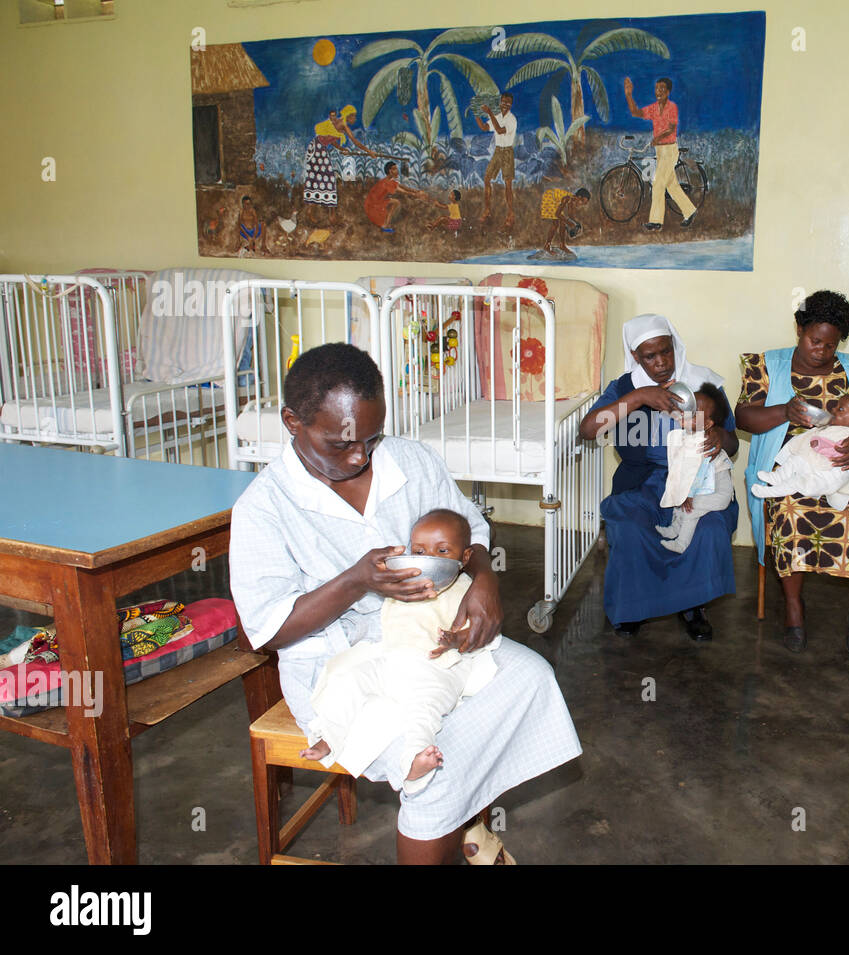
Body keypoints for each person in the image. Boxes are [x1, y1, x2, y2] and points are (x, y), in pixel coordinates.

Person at [229, 343, 581, 864]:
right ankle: (456, 820)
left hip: (432, 636)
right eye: (340, 443)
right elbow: (269, 630)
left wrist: (485, 580)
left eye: (371, 439)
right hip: (340, 664)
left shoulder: (409, 460)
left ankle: (468, 823)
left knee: (529, 676)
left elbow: (470, 530)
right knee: (431, 767)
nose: (359, 457)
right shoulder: (263, 507)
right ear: (291, 421)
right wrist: (355, 581)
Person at [299, 509, 499, 798]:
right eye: (420, 550)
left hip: (436, 670)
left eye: (442, 551)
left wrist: (456, 639)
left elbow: (477, 632)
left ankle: (416, 760)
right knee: (348, 680)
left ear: (465, 557)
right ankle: (329, 736)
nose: (430, 556)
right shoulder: (405, 584)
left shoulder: (466, 589)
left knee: (423, 711)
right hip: (392, 663)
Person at [736, 290, 849, 656]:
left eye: (830, 345)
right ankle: (793, 609)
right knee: (789, 513)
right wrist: (784, 413)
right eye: (813, 340)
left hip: (842, 468)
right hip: (788, 465)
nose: (821, 350)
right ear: (799, 328)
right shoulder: (765, 365)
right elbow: (742, 418)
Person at [578, 314, 738, 641]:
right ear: (636, 356)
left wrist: (720, 436)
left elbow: (733, 440)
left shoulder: (704, 382)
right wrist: (639, 397)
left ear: (674, 346)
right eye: (650, 356)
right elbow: (588, 430)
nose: (661, 362)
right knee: (631, 525)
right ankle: (634, 606)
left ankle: (693, 606)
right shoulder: (624, 388)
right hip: (643, 482)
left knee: (707, 527)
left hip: (698, 479)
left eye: (666, 351)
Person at [656, 383, 735, 554]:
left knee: (691, 508)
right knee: (679, 498)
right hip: (702, 488)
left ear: (707, 424)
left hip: (720, 494)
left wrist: (689, 494)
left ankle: (681, 543)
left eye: (694, 414)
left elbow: (698, 473)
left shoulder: (705, 444)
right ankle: (674, 529)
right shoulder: (686, 436)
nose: (686, 414)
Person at [751, 394, 849, 499]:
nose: (833, 410)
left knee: (798, 482)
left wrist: (819, 444)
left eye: (840, 409)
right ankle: (777, 477)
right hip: (815, 464)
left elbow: (838, 449)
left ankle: (770, 492)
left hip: (827, 477)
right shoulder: (836, 427)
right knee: (795, 460)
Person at [623, 76, 696, 231]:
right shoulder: (654, 108)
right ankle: (690, 211)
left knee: (658, 183)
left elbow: (671, 128)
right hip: (660, 150)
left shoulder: (672, 107)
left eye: (662, 88)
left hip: (669, 149)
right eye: (657, 88)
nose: (659, 91)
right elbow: (635, 112)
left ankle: (656, 221)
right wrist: (629, 94)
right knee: (672, 186)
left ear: (668, 91)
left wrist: (658, 138)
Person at [302, 105, 377, 226]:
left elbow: (330, 139)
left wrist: (341, 148)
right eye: (354, 116)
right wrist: (369, 152)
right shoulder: (343, 124)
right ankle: (330, 215)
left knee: (318, 178)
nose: (355, 119)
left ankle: (313, 210)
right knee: (328, 179)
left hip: (317, 147)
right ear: (349, 116)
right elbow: (355, 141)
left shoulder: (338, 124)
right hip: (318, 149)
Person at [475, 93, 517, 228]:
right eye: (503, 102)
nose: (505, 105)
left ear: (511, 105)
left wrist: (490, 113)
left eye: (508, 103)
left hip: (507, 152)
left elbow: (499, 130)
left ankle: (510, 213)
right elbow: (484, 127)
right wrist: (476, 114)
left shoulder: (512, 120)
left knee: (508, 184)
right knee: (487, 178)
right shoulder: (498, 117)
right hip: (498, 150)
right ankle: (487, 209)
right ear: (500, 103)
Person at [364, 161, 428, 233]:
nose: (397, 171)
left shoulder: (389, 181)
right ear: (390, 171)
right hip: (373, 205)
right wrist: (416, 194)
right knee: (396, 203)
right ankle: (384, 225)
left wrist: (416, 191)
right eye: (395, 169)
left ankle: (385, 224)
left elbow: (402, 187)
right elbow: (402, 191)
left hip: (376, 202)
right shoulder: (386, 183)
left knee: (396, 202)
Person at [540, 187, 590, 257]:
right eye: (582, 202)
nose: (581, 205)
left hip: (556, 200)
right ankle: (547, 245)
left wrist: (577, 225)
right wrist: (570, 224)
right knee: (556, 223)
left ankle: (562, 245)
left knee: (563, 222)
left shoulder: (572, 201)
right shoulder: (567, 198)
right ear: (579, 197)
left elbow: (570, 215)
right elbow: (557, 214)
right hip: (550, 197)